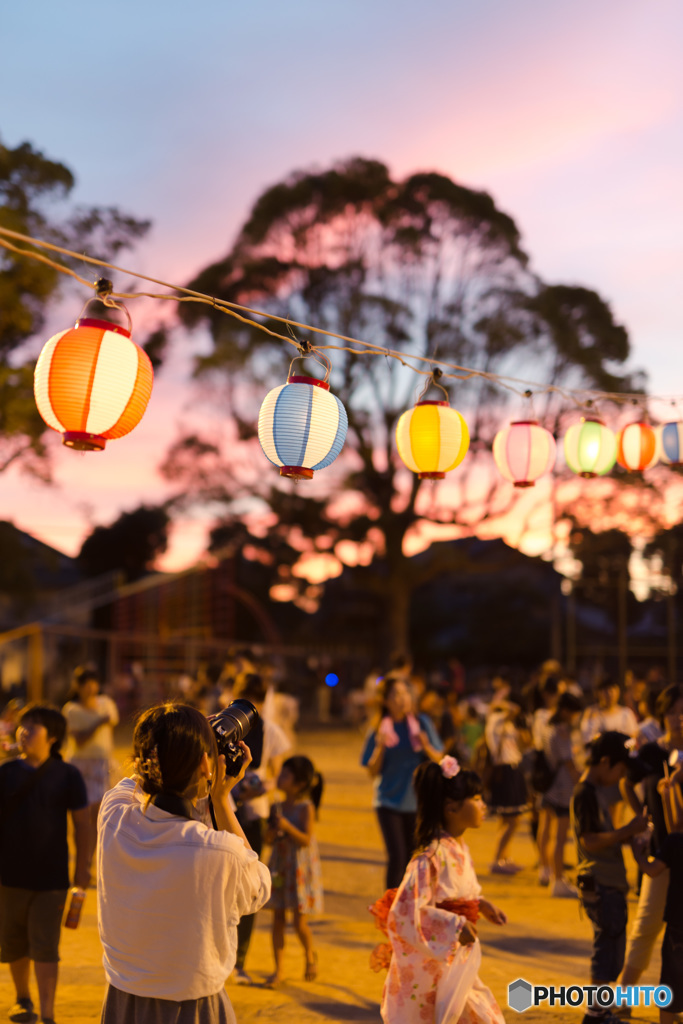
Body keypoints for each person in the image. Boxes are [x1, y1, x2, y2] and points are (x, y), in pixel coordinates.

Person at [97, 702, 271, 1024]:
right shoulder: (220, 852)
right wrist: (220, 798)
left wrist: (175, 741)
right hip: (193, 1007)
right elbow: (259, 886)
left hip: (124, 1000)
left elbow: (135, 781)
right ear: (207, 763)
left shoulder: (113, 816)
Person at [371, 756, 507, 1024]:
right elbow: (404, 915)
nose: (483, 805)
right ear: (451, 807)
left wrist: (479, 904)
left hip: (455, 962)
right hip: (432, 970)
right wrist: (455, 925)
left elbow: (455, 893)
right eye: (476, 798)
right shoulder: (429, 859)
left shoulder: (459, 848)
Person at [0, 703, 90, 1024]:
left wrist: (82, 870)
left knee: (46, 945)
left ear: (52, 736)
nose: (24, 731)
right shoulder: (6, 772)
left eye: (33, 726)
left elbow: (82, 825)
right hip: (8, 876)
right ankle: (23, 999)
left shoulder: (67, 775)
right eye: (23, 725)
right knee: (14, 943)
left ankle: (48, 1014)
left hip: (52, 878)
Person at [570, 732, 649, 1024]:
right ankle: (596, 1015)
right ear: (605, 762)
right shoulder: (584, 793)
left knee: (612, 952)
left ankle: (600, 1011)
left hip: (607, 882)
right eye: (619, 770)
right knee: (606, 954)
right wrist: (626, 831)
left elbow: (600, 837)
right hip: (600, 884)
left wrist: (627, 839)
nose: (620, 777)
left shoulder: (593, 792)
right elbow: (589, 840)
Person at [619, 684, 683, 993]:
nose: (679, 718)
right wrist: (642, 817)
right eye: (672, 711)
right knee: (646, 926)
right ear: (662, 714)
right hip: (661, 849)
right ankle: (623, 994)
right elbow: (626, 783)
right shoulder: (652, 751)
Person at [229, 672, 291, 985]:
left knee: (245, 885)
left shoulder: (269, 730)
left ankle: (237, 960)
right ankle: (234, 960)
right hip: (241, 811)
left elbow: (276, 778)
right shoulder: (223, 726)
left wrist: (254, 787)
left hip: (248, 812)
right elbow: (276, 778)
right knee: (241, 885)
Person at [361, 675, 444, 888]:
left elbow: (441, 759)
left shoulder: (421, 723)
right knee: (397, 857)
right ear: (385, 701)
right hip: (388, 801)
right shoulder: (380, 728)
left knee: (414, 857)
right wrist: (380, 747)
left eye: (405, 693)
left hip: (416, 802)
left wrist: (425, 746)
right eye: (395, 694)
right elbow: (372, 771)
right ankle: (391, 909)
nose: (402, 698)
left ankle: (410, 905)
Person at [264, 755, 324, 987]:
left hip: (299, 870)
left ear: (299, 784)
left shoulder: (305, 808)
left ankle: (309, 954)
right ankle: (278, 970)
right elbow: (268, 839)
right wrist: (272, 832)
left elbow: (306, 840)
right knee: (278, 919)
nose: (280, 778)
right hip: (279, 868)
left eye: (286, 775)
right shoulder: (275, 807)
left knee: (299, 922)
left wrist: (287, 827)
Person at [630, 781, 683, 1024]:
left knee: (671, 982)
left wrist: (638, 854)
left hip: (677, 925)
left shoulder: (674, 842)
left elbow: (652, 870)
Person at [62, 665, 119, 868]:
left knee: (97, 817)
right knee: (81, 817)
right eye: (86, 684)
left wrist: (100, 720)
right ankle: (82, 857)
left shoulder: (106, 703)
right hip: (79, 767)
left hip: (101, 764)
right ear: (78, 686)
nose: (90, 688)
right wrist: (98, 722)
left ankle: (89, 860)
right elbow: (79, 741)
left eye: (93, 683)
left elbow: (112, 720)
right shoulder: (71, 709)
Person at [536, 692, 583, 896]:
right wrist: (581, 781)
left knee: (545, 828)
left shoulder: (547, 727)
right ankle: (558, 879)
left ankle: (544, 869)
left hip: (547, 785)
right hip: (562, 787)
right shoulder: (561, 731)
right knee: (561, 836)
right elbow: (568, 761)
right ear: (566, 711)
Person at [485, 692, 529, 873]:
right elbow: (512, 709)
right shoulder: (496, 719)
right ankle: (497, 859)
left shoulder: (503, 722)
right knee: (513, 820)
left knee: (506, 820)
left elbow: (525, 742)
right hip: (505, 770)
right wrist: (503, 703)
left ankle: (504, 858)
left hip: (511, 768)